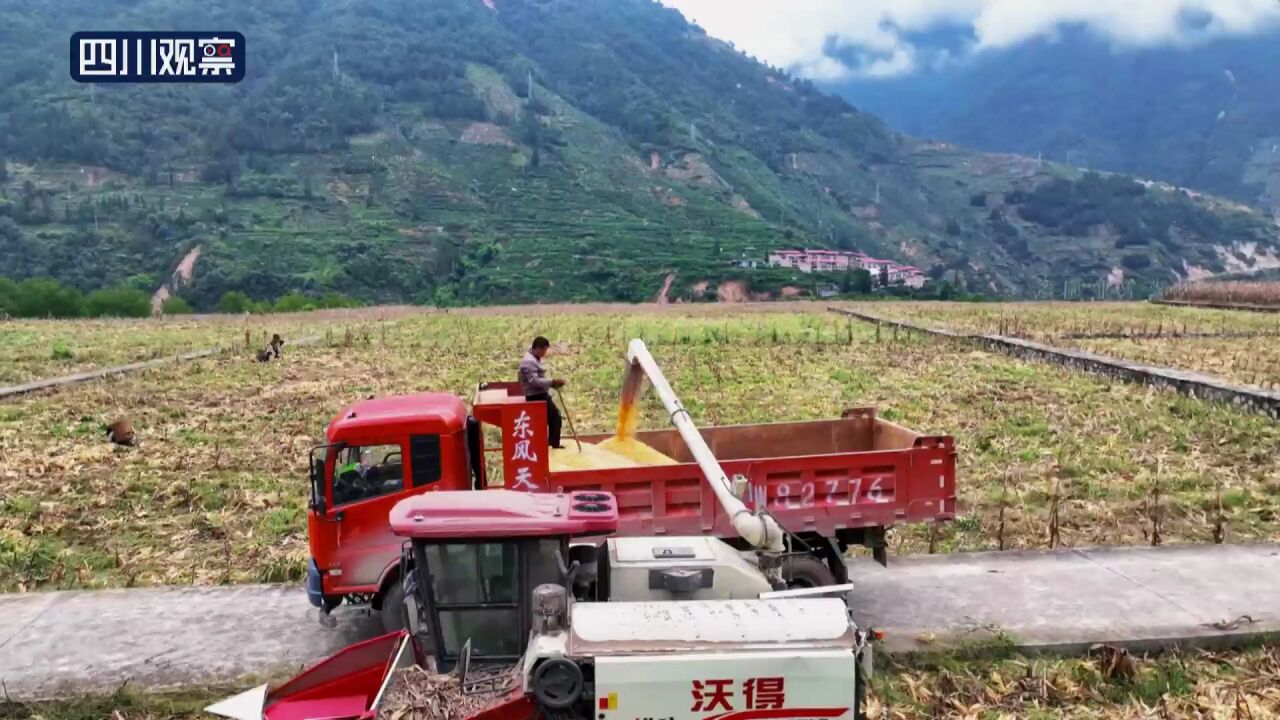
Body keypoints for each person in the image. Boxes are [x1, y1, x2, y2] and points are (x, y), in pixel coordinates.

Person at [518, 336, 564, 449]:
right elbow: (534, 381)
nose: (545, 353)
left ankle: (552, 442)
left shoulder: (533, 357)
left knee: (553, 417)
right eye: (544, 350)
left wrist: (552, 384)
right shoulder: (529, 361)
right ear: (538, 348)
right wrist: (552, 382)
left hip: (539, 393)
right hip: (535, 395)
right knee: (555, 417)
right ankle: (554, 444)